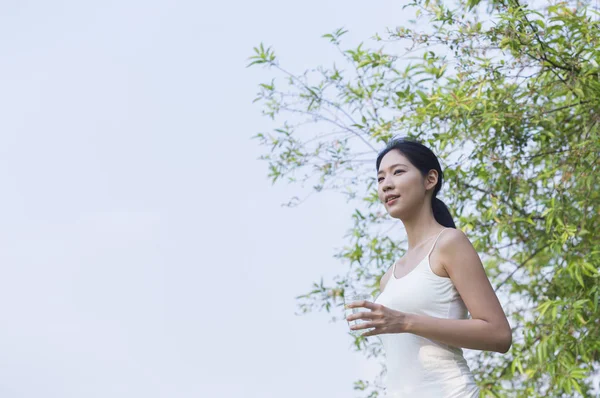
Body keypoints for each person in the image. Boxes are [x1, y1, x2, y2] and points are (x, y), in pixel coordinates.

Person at [345, 137, 512, 397]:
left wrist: (404, 321)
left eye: (398, 172)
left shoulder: (449, 243)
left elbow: (498, 334)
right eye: (380, 179)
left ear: (430, 179)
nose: (386, 184)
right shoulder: (388, 278)